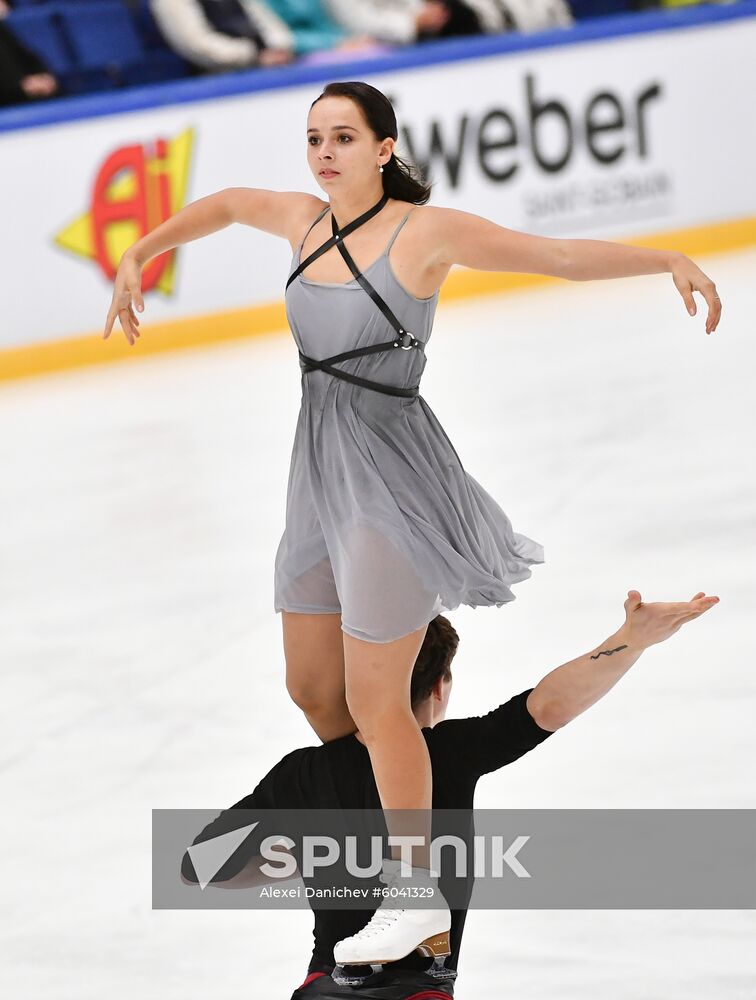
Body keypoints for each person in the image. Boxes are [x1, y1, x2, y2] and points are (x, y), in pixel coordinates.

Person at [103, 79, 722, 972]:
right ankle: (386, 822)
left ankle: (414, 889)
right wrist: (141, 253)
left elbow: (551, 255)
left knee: (376, 702)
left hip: (391, 477)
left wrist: (664, 256)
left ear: (385, 147)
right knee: (313, 691)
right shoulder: (301, 219)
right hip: (315, 473)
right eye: (314, 137)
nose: (324, 153)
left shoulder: (423, 234)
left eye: (344, 138)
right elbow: (228, 203)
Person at [179, 587, 719, 998]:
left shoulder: (305, 772)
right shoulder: (449, 752)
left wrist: (306, 852)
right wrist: (632, 639)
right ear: (441, 687)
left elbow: (202, 865)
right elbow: (547, 706)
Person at [149, 0, 296, 71]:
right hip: (216, 77)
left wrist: (278, 46)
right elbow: (196, 44)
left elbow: (266, 19)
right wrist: (255, 55)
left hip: (270, 63)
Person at [0, 5, 60, 108]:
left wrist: (43, 75)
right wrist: (21, 86)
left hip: (29, 92)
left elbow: (29, 57)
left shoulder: (2, 30)